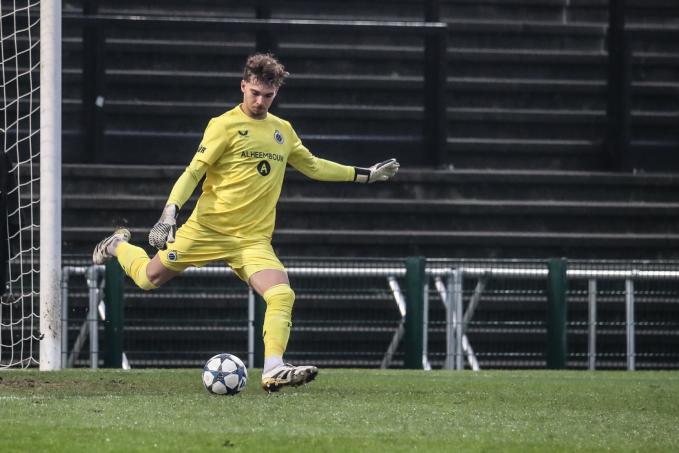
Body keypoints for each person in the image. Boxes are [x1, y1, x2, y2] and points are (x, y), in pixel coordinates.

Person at [93, 53, 400, 392]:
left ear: (275, 93)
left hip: (253, 240)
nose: (260, 101)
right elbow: (193, 172)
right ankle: (118, 244)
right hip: (207, 230)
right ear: (243, 86)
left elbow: (313, 166)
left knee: (282, 294)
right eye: (254, 93)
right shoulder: (223, 125)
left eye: (268, 95)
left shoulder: (282, 130)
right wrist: (170, 213)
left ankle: (273, 369)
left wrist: (365, 175)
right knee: (147, 279)